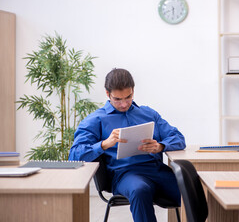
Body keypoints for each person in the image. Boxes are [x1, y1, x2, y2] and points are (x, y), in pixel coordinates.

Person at [69, 68, 186, 222]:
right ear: (107, 94)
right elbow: (75, 154)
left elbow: (178, 138)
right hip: (125, 175)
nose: (124, 104)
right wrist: (104, 144)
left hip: (156, 171)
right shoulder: (95, 120)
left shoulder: (148, 114)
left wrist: (160, 146)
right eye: (117, 99)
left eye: (128, 97)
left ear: (133, 91)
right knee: (140, 190)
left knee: (192, 191)